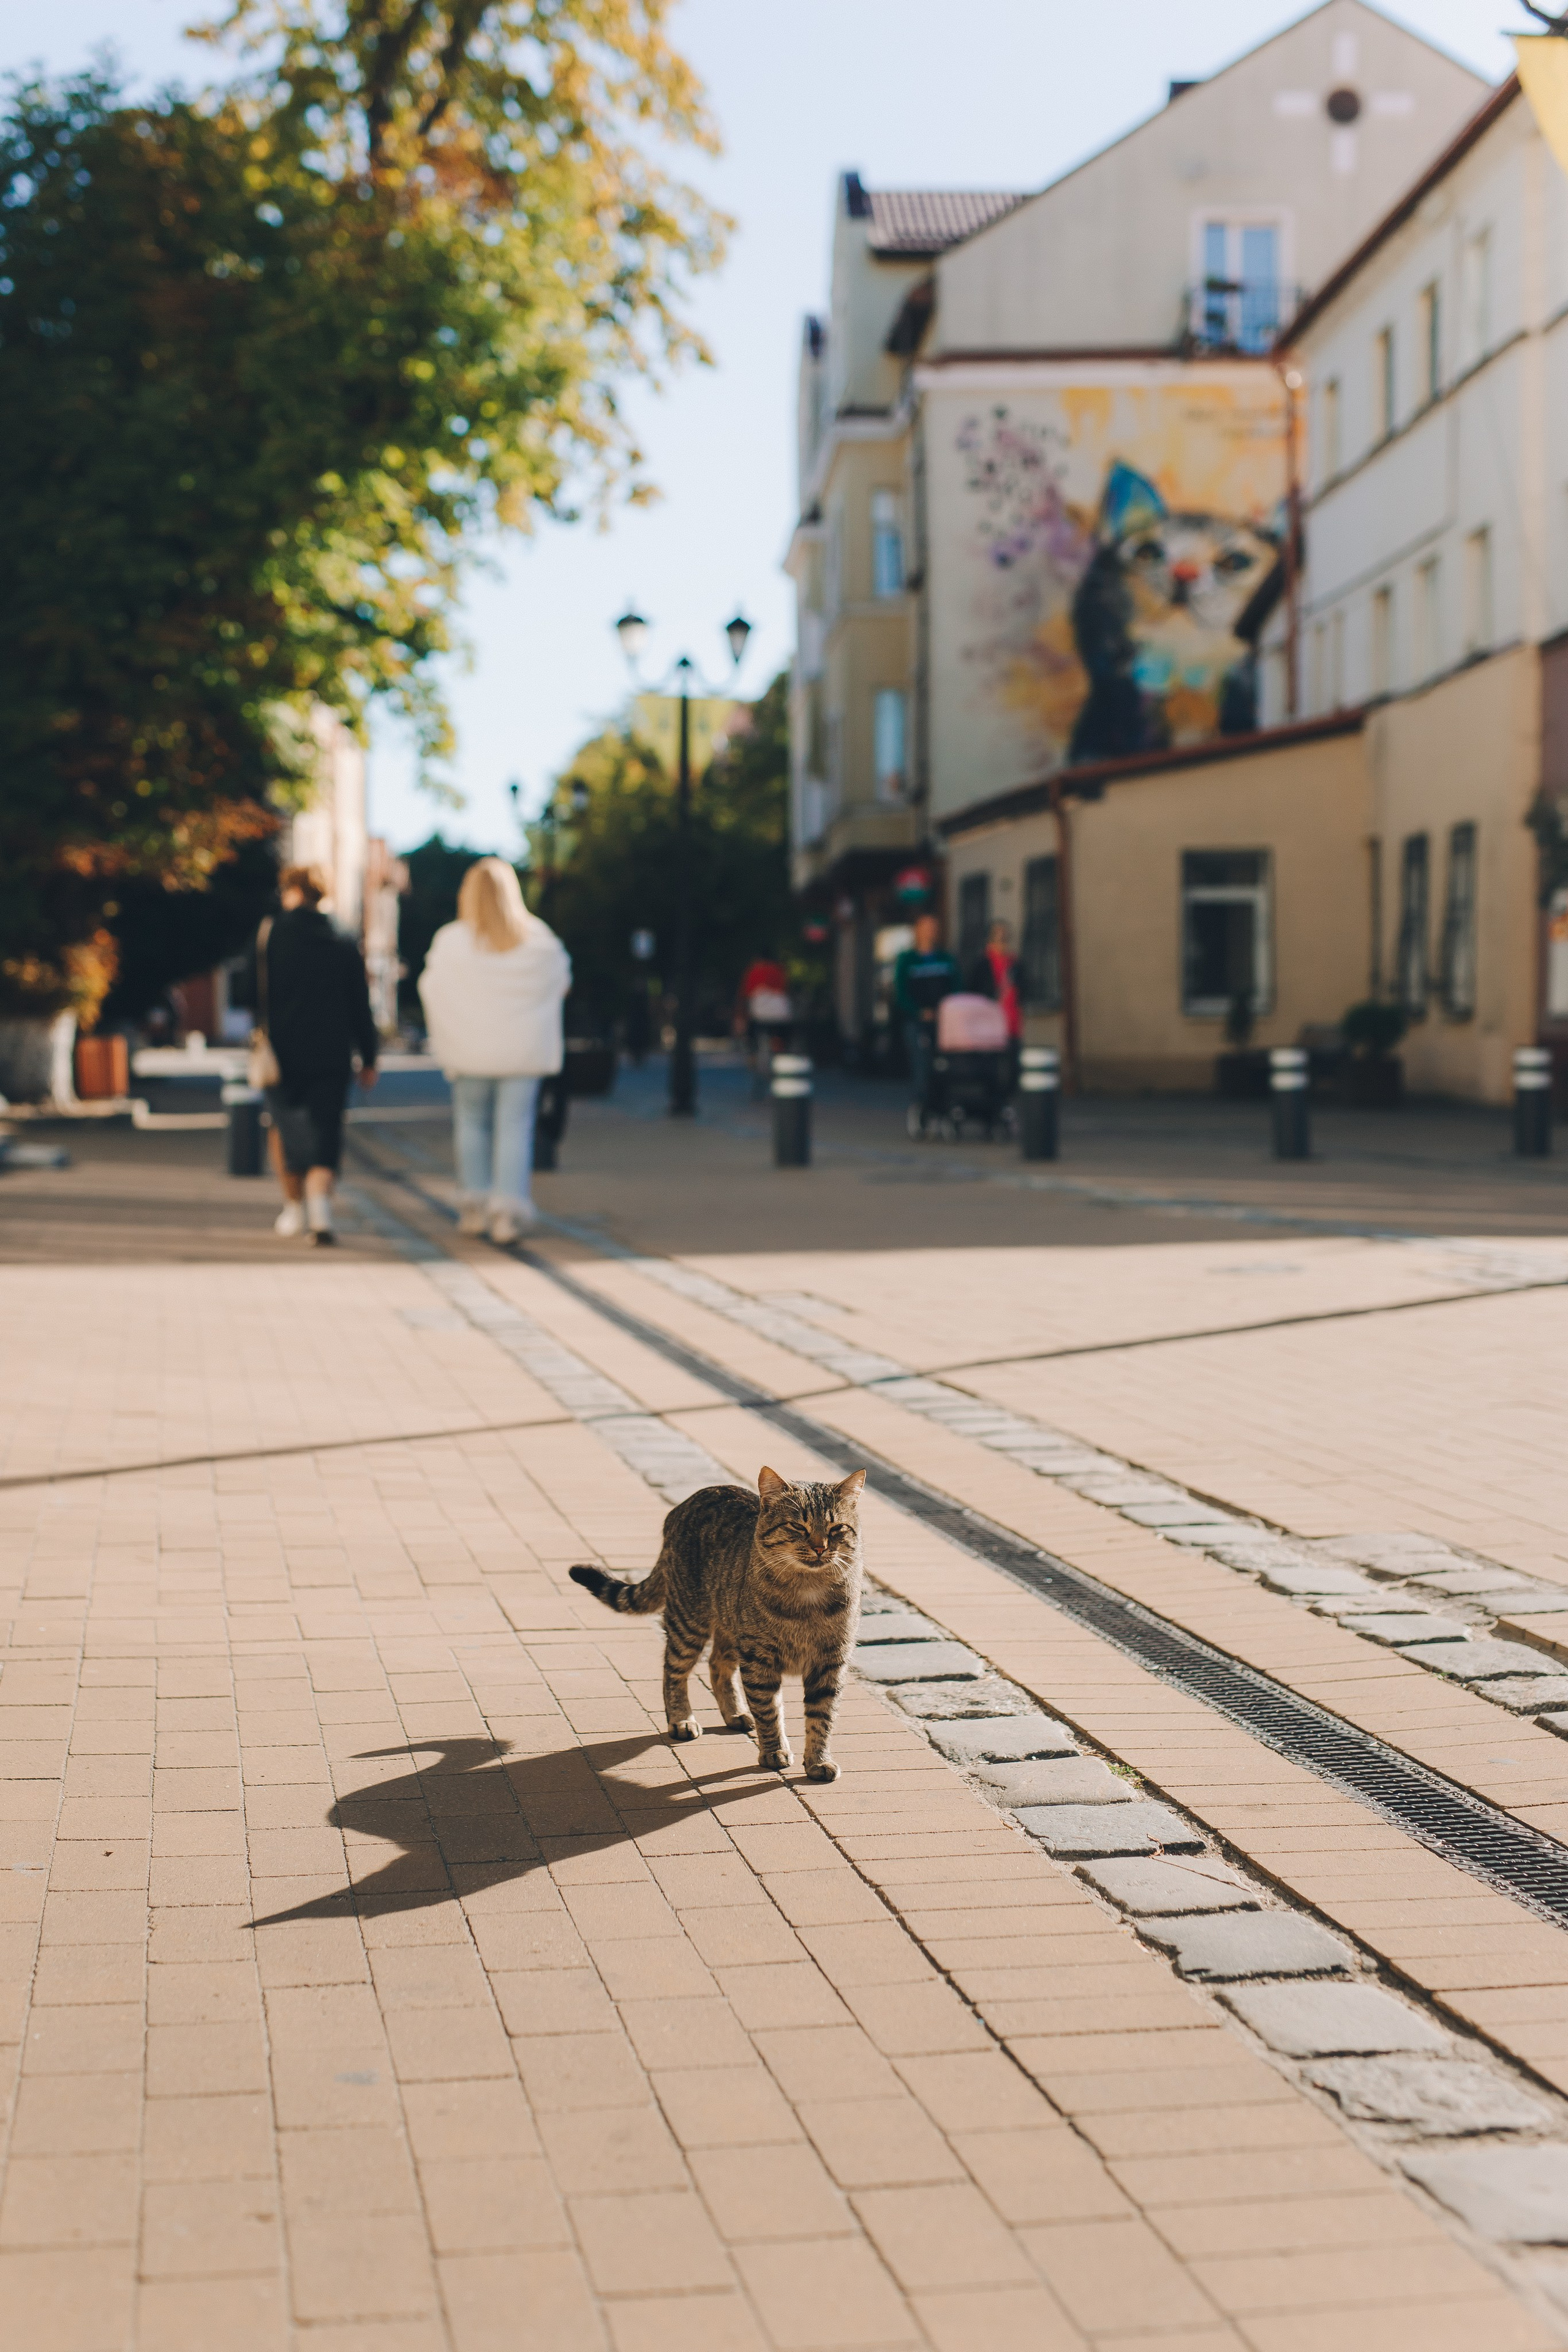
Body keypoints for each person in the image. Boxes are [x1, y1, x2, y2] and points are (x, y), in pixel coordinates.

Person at [418, 858, 571, 1244]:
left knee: (471, 1125)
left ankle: (473, 1207)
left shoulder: (451, 941)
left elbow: (431, 989)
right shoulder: (538, 939)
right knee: (515, 1129)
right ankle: (506, 1213)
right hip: (521, 1054)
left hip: (471, 1053)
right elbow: (561, 982)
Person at [258, 864, 380, 1248]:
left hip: (281, 1050)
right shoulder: (342, 936)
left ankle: (294, 1207)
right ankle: (321, 1209)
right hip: (332, 1051)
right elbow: (361, 1003)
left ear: (290, 891)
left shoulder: (270, 933)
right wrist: (370, 1055)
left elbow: (249, 991)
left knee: (284, 1125)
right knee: (327, 1126)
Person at [892, 911, 960, 1110]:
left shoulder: (946, 959)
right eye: (926, 928)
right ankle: (922, 1105)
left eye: (934, 928)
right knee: (921, 1064)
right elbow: (901, 993)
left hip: (944, 1022)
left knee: (946, 1064)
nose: (931, 932)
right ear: (918, 932)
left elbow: (956, 988)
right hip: (916, 1022)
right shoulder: (907, 960)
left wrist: (946, 1012)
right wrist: (919, 1012)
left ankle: (946, 1104)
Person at [970, 917, 1024, 1087]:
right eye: (998, 938)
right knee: (991, 1069)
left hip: (1012, 1023)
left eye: (1005, 938)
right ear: (990, 939)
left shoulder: (1014, 964)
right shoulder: (982, 964)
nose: (1002, 942)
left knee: (1013, 1068)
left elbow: (1023, 990)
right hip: (990, 1025)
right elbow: (974, 993)